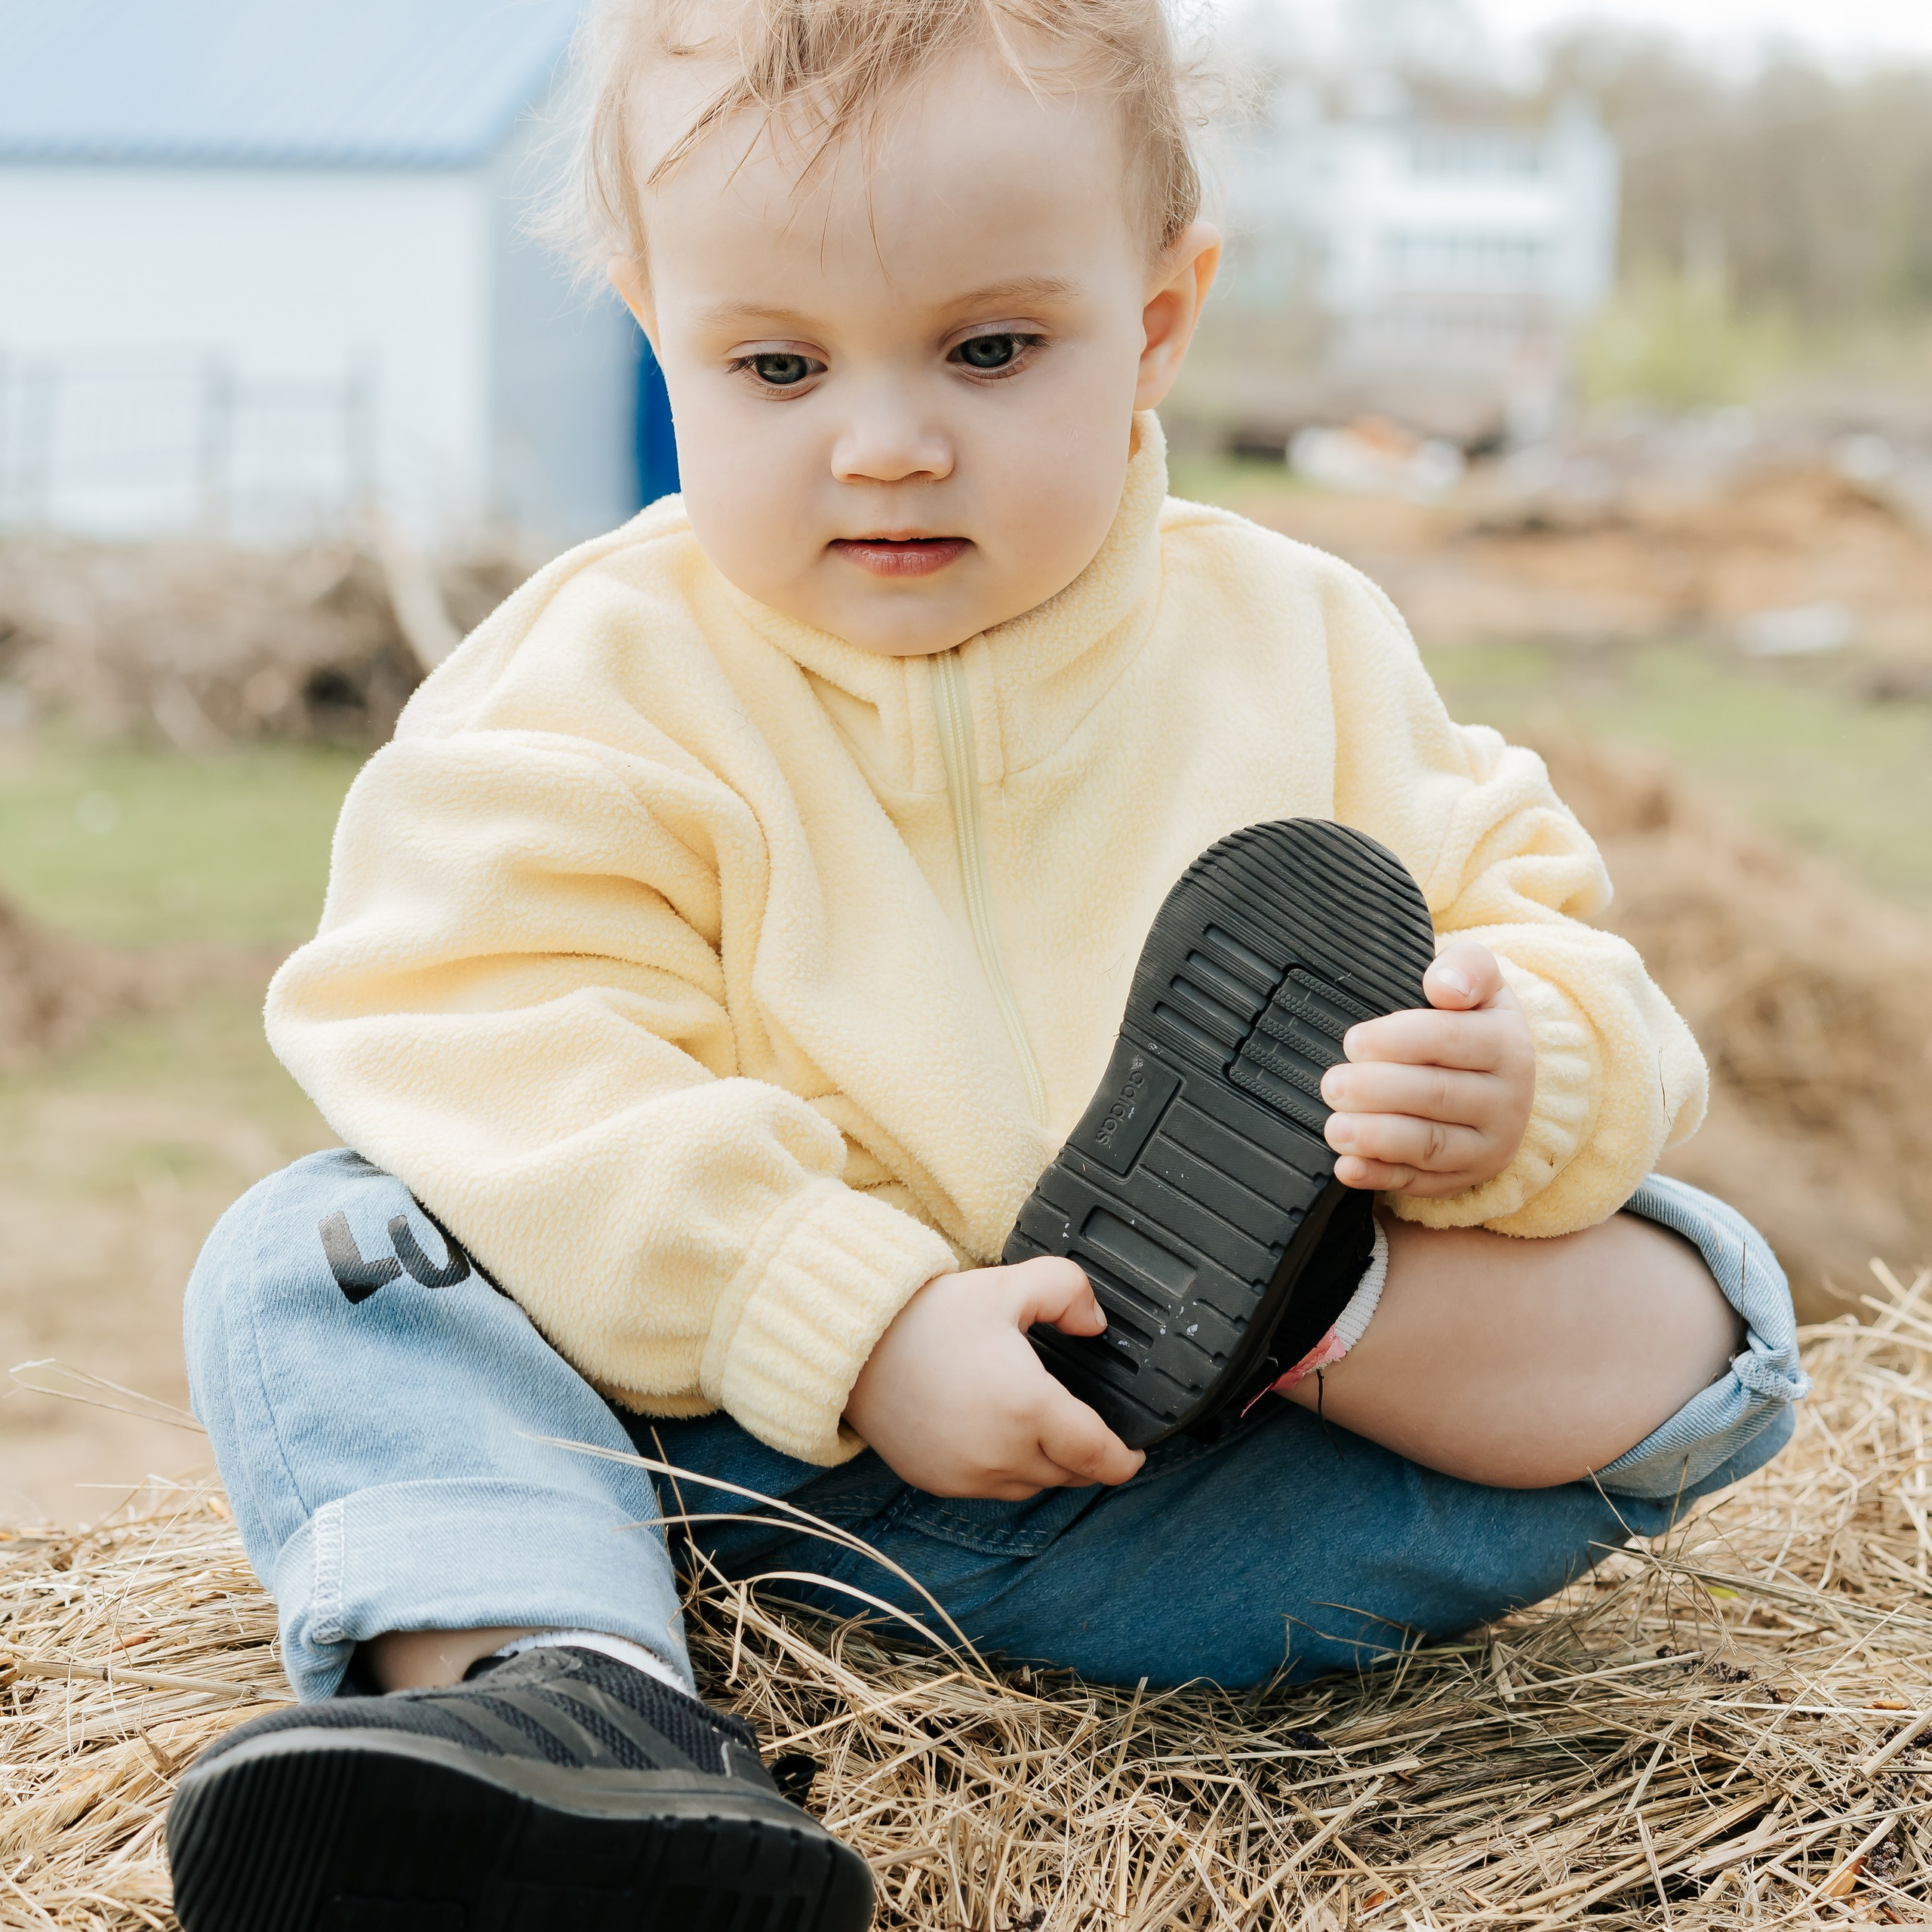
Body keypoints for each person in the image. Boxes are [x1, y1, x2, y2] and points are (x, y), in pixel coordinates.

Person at [162, 2, 1808, 1925]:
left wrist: (1516, 1069)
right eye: (775, 365)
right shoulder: (591, 682)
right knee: (315, 1250)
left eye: (989, 348)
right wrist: (838, 1310)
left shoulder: (1292, 640)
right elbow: (475, 1029)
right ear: (654, 324)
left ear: (1158, 319)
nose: (883, 441)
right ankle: (561, 1698)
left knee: (1705, 1301)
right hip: (703, 1463)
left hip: (1179, 1499)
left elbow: (1532, 911)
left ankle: (1293, 1292)